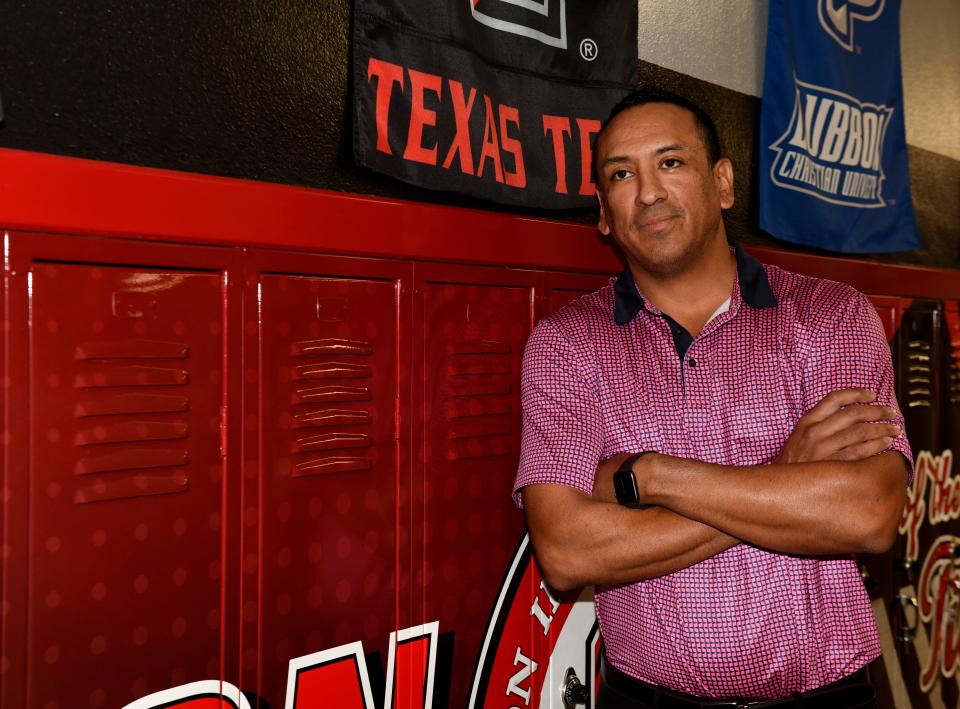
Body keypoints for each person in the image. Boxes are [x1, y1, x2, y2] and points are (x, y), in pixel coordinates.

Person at [513, 89, 912, 709]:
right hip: (647, 699)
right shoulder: (567, 348)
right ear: (603, 214)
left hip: (827, 697)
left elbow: (868, 513)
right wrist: (786, 474)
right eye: (622, 174)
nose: (647, 192)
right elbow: (567, 552)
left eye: (670, 163)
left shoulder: (833, 317)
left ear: (723, 183)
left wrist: (652, 476)